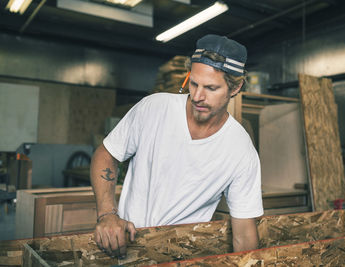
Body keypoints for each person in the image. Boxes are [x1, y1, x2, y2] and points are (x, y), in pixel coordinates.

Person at [90, 34, 263, 259]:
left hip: (181, 258)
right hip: (126, 248)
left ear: (235, 87)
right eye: (194, 83)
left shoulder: (241, 150)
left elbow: (244, 234)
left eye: (211, 88)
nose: (198, 96)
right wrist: (107, 214)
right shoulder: (153, 109)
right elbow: (106, 154)